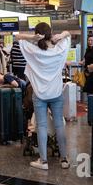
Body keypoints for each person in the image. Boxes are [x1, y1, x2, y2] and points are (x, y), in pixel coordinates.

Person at [15, 22, 71, 170]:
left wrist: (32, 37)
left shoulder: (33, 50)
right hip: (56, 93)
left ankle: (43, 161)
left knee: (41, 126)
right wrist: (61, 35)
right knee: (59, 124)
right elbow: (67, 34)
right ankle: (64, 159)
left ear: (37, 33)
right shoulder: (59, 50)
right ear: (51, 33)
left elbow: (17, 37)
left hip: (39, 95)